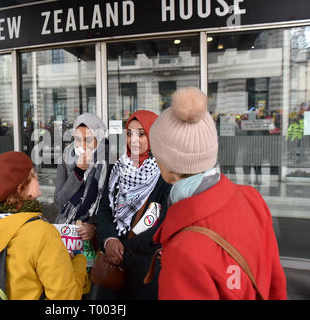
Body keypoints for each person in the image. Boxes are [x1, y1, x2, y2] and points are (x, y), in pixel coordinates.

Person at [149, 87, 287, 300]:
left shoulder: (183, 251)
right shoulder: (252, 199)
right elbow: (276, 282)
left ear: (168, 167)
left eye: (155, 154)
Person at [0, 151, 87, 300]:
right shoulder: (41, 233)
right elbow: (67, 296)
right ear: (21, 188)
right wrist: (78, 261)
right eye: (33, 175)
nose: (38, 177)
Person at [95, 110, 172, 300]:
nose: (134, 140)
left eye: (141, 133)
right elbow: (104, 209)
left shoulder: (166, 174)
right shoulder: (118, 168)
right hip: (112, 265)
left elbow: (164, 222)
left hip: (145, 266)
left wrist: (123, 247)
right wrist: (110, 240)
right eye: (129, 133)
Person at [54, 113, 109, 242]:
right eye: (78, 139)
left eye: (88, 140)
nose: (82, 146)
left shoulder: (108, 161)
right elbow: (59, 201)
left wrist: (94, 227)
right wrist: (78, 171)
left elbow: (108, 205)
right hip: (65, 231)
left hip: (94, 236)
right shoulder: (66, 157)